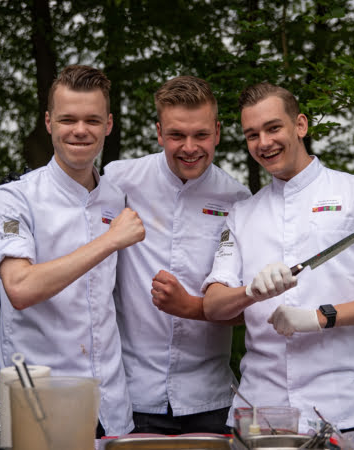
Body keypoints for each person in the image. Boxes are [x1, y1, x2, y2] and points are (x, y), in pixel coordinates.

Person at [201, 82, 354, 432]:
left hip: (343, 411)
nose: (264, 142)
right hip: (259, 415)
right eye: (252, 134)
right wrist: (250, 292)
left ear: (300, 125)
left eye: (273, 127)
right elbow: (213, 306)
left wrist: (322, 317)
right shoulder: (242, 213)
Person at [0, 65, 144, 437]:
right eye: (67, 119)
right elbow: (21, 288)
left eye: (92, 119)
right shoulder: (14, 198)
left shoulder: (116, 197)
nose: (80, 130)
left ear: (108, 124)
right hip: (41, 404)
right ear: (48, 123)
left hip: (111, 404)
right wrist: (109, 240)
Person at [103, 76, 251, 434]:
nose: (189, 147)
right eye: (176, 135)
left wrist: (195, 305)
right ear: (158, 132)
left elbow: (251, 310)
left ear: (217, 132)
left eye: (200, 135)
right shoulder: (118, 181)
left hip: (211, 398)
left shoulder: (239, 200)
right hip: (131, 394)